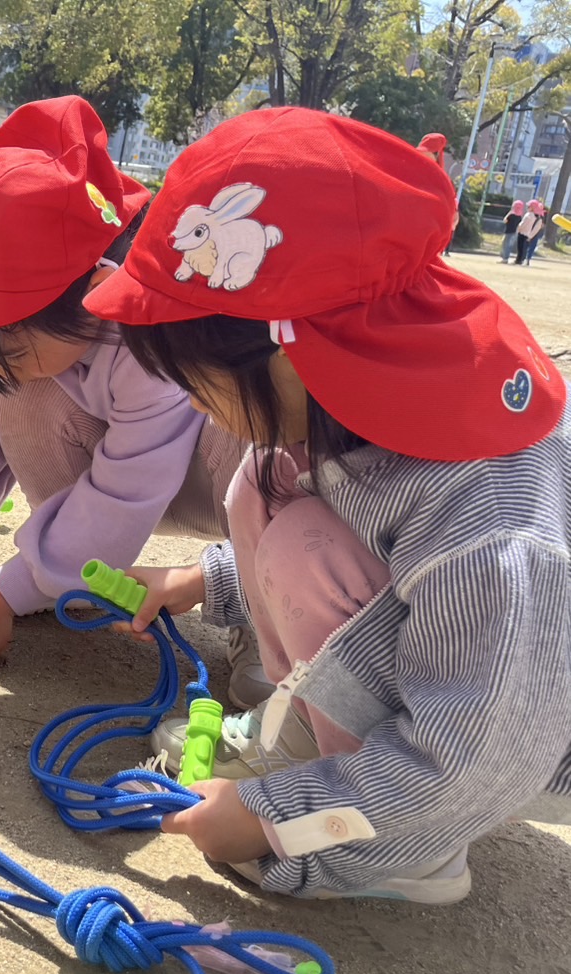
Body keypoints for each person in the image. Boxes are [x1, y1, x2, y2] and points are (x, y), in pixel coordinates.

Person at [83, 107, 570, 904]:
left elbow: (490, 751)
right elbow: (369, 537)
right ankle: (316, 733)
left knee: (297, 535)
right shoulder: (365, 397)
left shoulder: (487, 517)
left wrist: (282, 821)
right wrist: (208, 580)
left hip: (519, 732)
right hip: (497, 692)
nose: (193, 404)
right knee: (264, 483)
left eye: (196, 380)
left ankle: (405, 847)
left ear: (289, 353)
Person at [0, 97, 260, 693]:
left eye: (10, 353)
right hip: (134, 466)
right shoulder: (13, 334)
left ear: (98, 291)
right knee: (20, 394)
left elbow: (126, 490)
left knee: (262, 443)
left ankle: (261, 602)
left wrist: (8, 589)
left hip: (216, 472)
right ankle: (65, 570)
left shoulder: (146, 334)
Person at [517, 199, 546, 265]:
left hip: (532, 233)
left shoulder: (538, 217)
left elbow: (536, 228)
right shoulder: (530, 214)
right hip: (526, 233)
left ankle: (527, 259)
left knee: (531, 246)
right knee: (524, 247)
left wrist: (530, 236)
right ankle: (522, 259)